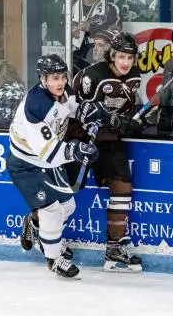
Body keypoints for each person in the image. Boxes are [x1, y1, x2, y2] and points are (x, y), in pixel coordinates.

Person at [8, 54, 113, 278]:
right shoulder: (35, 107)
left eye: (62, 77)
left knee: (68, 207)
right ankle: (53, 259)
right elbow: (52, 155)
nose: (60, 82)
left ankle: (35, 224)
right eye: (54, 78)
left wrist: (94, 112)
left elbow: (74, 110)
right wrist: (76, 149)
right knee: (52, 212)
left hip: (46, 160)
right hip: (26, 164)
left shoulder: (64, 92)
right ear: (43, 79)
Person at [68, 32, 144, 273]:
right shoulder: (94, 75)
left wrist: (131, 120)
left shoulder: (134, 77)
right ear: (112, 55)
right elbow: (82, 111)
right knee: (65, 189)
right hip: (78, 137)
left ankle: (115, 245)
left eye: (129, 58)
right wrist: (114, 120)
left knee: (122, 185)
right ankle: (39, 227)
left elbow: (128, 109)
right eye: (121, 56)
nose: (125, 62)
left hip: (107, 139)